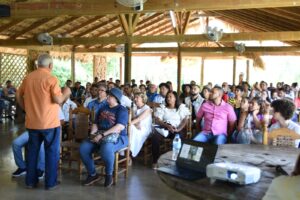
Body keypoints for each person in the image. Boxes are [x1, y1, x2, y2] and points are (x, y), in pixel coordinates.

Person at [16, 53, 71, 190]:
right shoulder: (51, 79)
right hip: (49, 123)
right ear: (50, 65)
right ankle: (50, 183)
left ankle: (30, 182)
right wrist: (66, 92)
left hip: (32, 123)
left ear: (37, 64)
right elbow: (58, 100)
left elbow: (18, 94)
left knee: (32, 152)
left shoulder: (28, 78)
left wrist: (26, 109)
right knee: (51, 153)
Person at [80, 88, 129, 187]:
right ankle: (92, 174)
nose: (107, 97)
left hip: (119, 137)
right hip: (100, 135)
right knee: (83, 148)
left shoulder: (121, 109)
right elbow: (95, 123)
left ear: (116, 99)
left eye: (110, 96)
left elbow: (119, 127)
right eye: (108, 95)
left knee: (106, 148)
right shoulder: (103, 108)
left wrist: (101, 135)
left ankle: (109, 175)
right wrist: (93, 134)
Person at [151, 91, 190, 168]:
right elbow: (158, 120)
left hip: (176, 129)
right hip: (164, 128)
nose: (168, 98)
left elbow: (184, 120)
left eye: (170, 97)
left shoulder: (180, 108)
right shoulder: (163, 107)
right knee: (155, 137)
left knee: (179, 137)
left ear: (175, 98)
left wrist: (178, 129)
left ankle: (177, 160)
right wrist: (167, 126)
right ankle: (155, 161)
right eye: (167, 97)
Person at [130, 92, 152, 157]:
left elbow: (138, 119)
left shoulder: (147, 109)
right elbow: (134, 120)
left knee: (130, 127)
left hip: (144, 129)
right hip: (136, 126)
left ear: (142, 99)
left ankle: (130, 153)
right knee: (129, 128)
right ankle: (125, 153)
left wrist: (128, 124)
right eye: (134, 97)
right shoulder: (135, 108)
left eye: (137, 97)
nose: (135, 99)